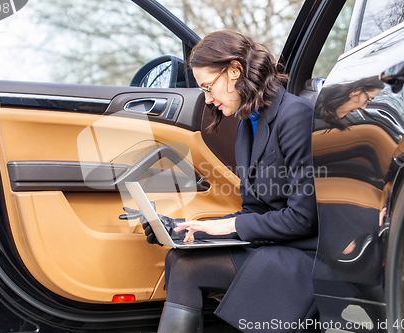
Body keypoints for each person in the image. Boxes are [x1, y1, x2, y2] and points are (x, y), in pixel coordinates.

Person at [136, 30, 319, 333]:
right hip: (277, 245)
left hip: (305, 254)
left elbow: (303, 218)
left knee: (186, 267)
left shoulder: (295, 116)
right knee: (177, 256)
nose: (208, 100)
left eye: (208, 87)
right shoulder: (248, 125)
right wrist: (193, 230)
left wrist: (226, 227)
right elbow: (255, 212)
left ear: (234, 71)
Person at [315, 76, 384, 130]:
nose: (363, 108)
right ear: (356, 91)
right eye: (367, 100)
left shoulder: (315, 113)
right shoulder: (307, 109)